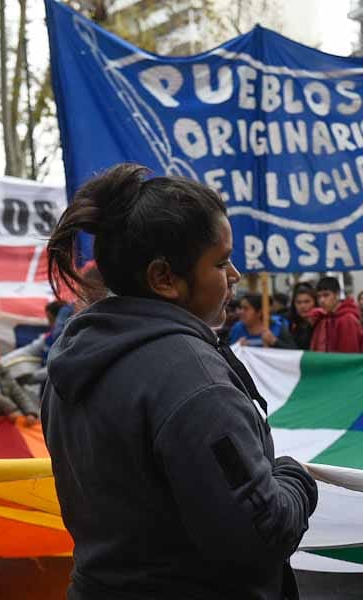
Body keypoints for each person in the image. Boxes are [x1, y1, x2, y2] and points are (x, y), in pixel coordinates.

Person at [42, 164, 317, 599]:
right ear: (164, 278)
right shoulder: (195, 383)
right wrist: (295, 478)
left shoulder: (71, 359)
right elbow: (261, 538)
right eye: (221, 262)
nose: (235, 276)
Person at [309, 277, 363, 353]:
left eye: (326, 295)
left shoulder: (347, 319)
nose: (321, 300)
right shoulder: (324, 317)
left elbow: (349, 353)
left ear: (337, 294)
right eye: (319, 296)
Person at [229, 293, 296, 349]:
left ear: (259, 312)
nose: (240, 312)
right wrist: (236, 346)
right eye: (241, 308)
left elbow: (294, 352)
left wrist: (275, 342)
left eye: (246, 308)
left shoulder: (277, 328)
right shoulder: (236, 329)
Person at [288, 283, 316, 350]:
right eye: (299, 302)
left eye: (307, 302)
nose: (302, 306)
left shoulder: (322, 324)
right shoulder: (290, 324)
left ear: (314, 302)